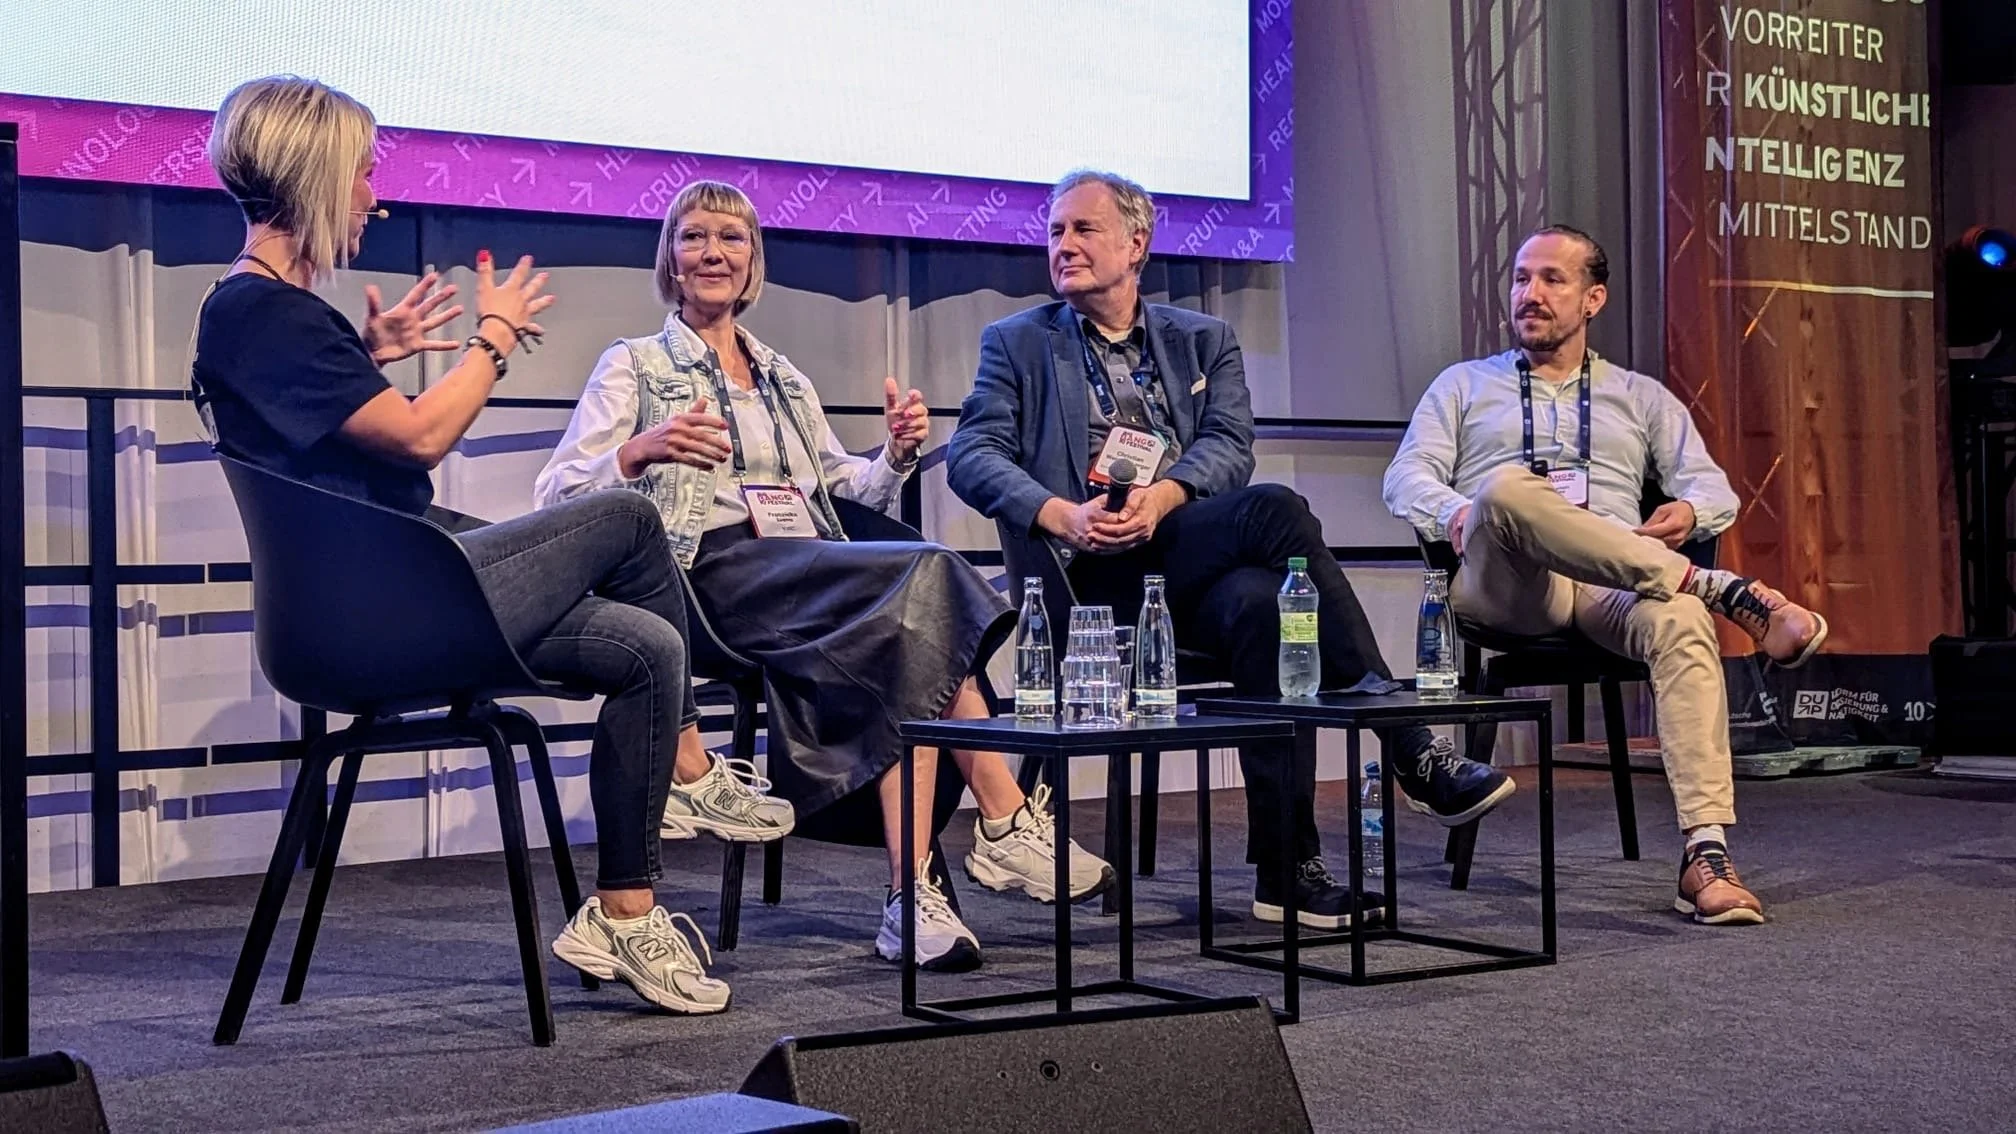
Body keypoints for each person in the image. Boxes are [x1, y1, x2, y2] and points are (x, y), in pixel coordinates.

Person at [191, 76, 791, 1016]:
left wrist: (366, 352)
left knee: (649, 648)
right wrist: (496, 337)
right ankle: (688, 768)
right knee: (630, 518)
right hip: (377, 609)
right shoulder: (260, 310)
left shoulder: (268, 315)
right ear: (313, 173)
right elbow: (424, 437)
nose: (371, 193)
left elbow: (309, 425)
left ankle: (625, 912)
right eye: (359, 171)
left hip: (397, 583)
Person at [534, 180, 1113, 973]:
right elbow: (557, 494)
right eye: (695, 238)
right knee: (930, 577)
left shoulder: (781, 376)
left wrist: (897, 456)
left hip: (805, 568)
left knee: (915, 636)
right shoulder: (633, 366)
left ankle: (912, 903)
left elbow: (841, 493)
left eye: (731, 241)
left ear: (752, 262)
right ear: (669, 258)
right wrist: (638, 451)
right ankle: (1004, 819)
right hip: (706, 577)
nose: (713, 254)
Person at [946, 170, 1514, 930]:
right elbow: (972, 455)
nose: (1064, 246)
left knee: (1263, 605)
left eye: (1083, 230)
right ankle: (1407, 740)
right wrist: (1061, 515)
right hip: (1089, 580)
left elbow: (1228, 447)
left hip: (1180, 555)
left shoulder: (1201, 340)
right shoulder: (1015, 343)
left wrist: (1165, 495)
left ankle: (1286, 874)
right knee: (1277, 512)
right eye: (1056, 233)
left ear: (1135, 242)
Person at [1381, 224, 1831, 926]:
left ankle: (1705, 852)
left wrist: (1687, 508)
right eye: (1521, 278)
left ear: (1594, 298)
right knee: (1508, 488)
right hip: (1508, 584)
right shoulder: (1463, 386)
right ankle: (1722, 591)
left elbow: (1714, 493)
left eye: (1551, 280)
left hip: (1611, 583)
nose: (1529, 294)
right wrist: (1459, 510)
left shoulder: (1641, 397)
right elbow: (1405, 477)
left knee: (1680, 621)